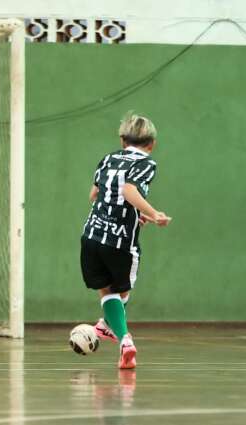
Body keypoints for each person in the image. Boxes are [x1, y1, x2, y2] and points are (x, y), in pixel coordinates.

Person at [80, 112, 171, 369]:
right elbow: (128, 190)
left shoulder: (108, 158)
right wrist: (153, 214)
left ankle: (109, 326)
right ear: (152, 143)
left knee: (105, 291)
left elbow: (94, 194)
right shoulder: (146, 163)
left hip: (92, 234)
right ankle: (124, 339)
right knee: (121, 291)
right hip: (120, 241)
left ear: (122, 139)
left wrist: (136, 213)